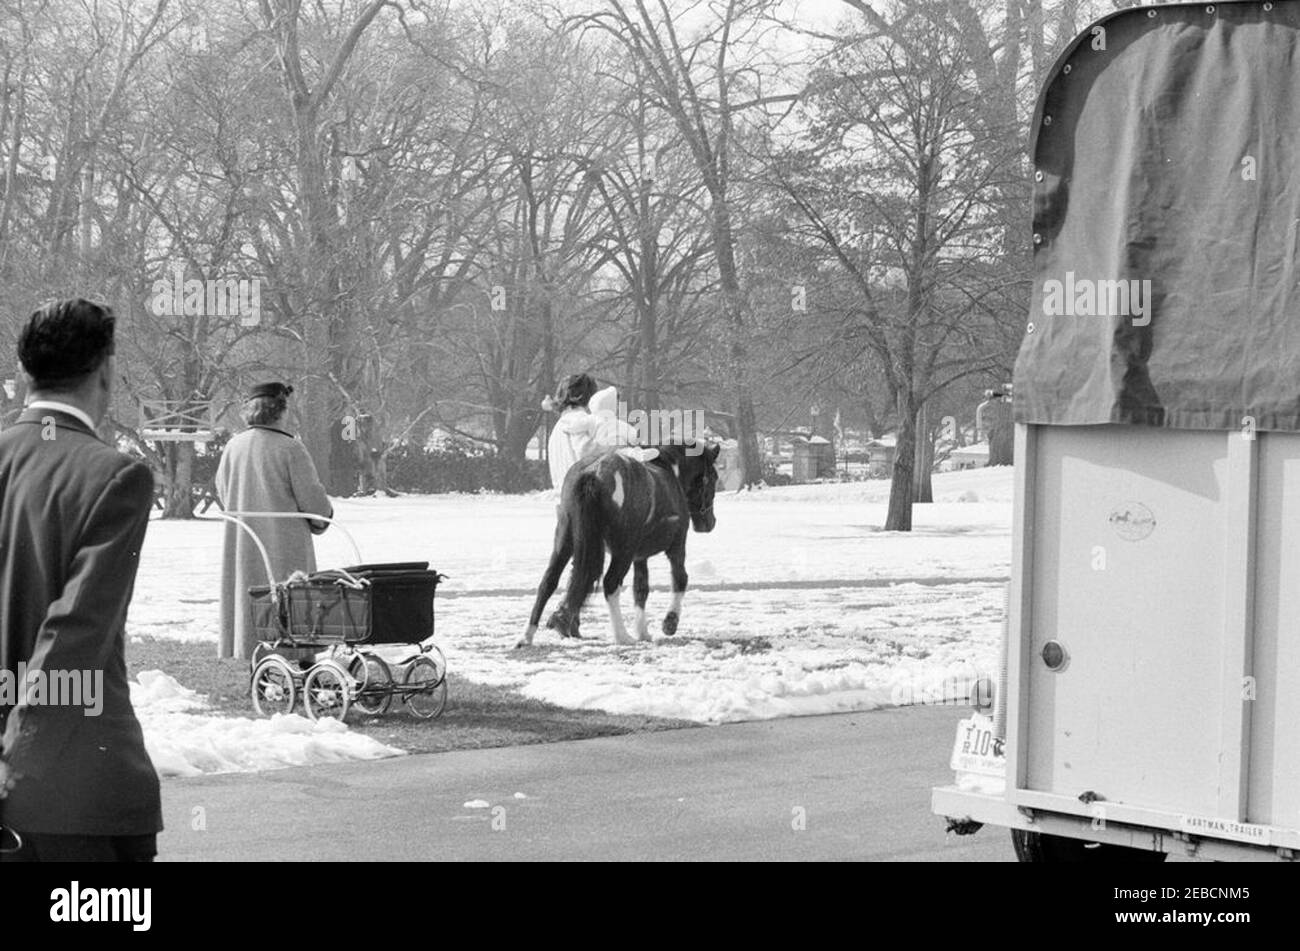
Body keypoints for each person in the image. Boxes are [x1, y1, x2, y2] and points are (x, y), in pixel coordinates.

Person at [0, 298, 162, 862]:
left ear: (24, 374)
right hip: (74, 791)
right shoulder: (114, 477)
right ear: (107, 371)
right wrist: (17, 759)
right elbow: (75, 631)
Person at [215, 382, 332, 660]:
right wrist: (322, 519)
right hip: (284, 542)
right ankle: (300, 660)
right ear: (280, 411)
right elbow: (313, 502)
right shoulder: (291, 448)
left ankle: (255, 657)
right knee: (293, 595)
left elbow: (222, 490)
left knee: (250, 596)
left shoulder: (233, 446)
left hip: (244, 541)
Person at [543, 374, 652, 489]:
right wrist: (618, 446)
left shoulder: (558, 427)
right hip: (585, 495)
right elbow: (586, 450)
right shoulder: (578, 420)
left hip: (566, 497)